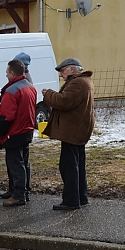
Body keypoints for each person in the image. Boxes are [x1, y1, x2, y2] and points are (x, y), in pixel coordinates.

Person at [42, 57, 95, 211]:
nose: (61, 75)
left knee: (69, 166)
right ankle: (81, 197)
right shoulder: (84, 81)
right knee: (78, 165)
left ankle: (71, 200)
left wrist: (48, 94)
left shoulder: (78, 83)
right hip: (78, 130)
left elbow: (64, 102)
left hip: (73, 132)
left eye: (62, 71)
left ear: (73, 69)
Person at [0, 60, 37, 207]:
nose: (6, 75)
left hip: (14, 131)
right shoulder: (30, 87)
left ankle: (18, 195)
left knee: (15, 164)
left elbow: (6, 115)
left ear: (12, 73)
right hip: (27, 130)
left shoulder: (12, 91)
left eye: (7, 72)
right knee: (24, 162)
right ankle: (21, 191)